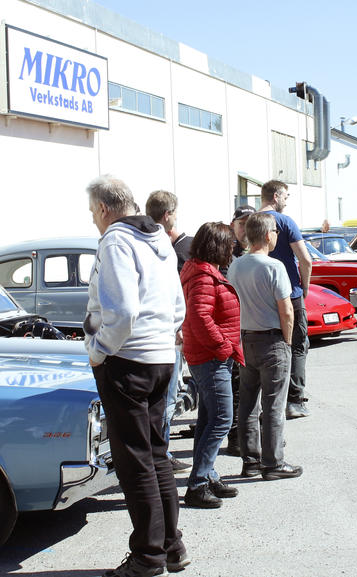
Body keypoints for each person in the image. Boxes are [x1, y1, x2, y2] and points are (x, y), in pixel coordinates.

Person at [83, 175, 189, 577]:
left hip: (127, 360)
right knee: (156, 454)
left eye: (93, 212)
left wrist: (99, 351)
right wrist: (162, 339)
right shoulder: (159, 237)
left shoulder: (116, 240)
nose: (93, 220)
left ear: (104, 208)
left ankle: (148, 556)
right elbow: (177, 305)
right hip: (160, 357)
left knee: (135, 461)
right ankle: (171, 546)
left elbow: (124, 310)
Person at [227, 212, 302, 481]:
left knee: (248, 403)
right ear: (269, 235)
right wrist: (287, 341)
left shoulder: (236, 266)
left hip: (246, 338)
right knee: (273, 404)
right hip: (272, 339)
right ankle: (273, 463)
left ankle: (251, 461)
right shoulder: (274, 267)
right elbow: (287, 311)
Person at [180, 222, 243, 509]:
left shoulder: (201, 270)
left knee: (209, 419)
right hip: (210, 357)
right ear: (218, 246)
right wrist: (223, 347)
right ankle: (197, 484)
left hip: (207, 355)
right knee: (221, 420)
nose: (233, 249)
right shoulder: (204, 275)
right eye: (230, 245)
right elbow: (199, 316)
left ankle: (207, 475)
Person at [258, 180, 313, 420]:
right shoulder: (285, 222)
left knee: (264, 347)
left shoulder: (251, 221)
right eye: (286, 196)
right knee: (297, 345)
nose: (287, 201)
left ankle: (264, 402)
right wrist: (305, 286)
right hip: (289, 294)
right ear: (276, 196)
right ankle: (294, 400)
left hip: (258, 295)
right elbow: (305, 259)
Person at [146, 190, 191, 472]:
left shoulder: (140, 243)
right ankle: (160, 456)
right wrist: (177, 325)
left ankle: (156, 455)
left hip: (150, 336)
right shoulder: (164, 247)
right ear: (167, 215)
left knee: (158, 401)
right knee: (166, 400)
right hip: (166, 336)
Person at [223, 205, 255, 456]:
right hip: (233, 332)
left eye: (250, 223)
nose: (245, 229)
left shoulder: (259, 252)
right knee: (236, 387)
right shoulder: (225, 253)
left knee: (253, 388)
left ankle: (253, 435)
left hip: (255, 330)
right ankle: (236, 438)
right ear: (233, 225)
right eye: (242, 223)